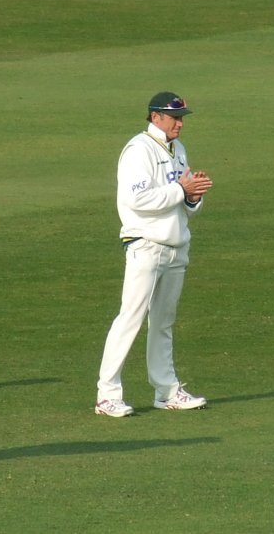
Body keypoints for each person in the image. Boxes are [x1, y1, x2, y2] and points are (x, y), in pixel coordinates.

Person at [95, 91, 214, 418]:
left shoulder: (178, 150)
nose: (179, 123)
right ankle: (107, 394)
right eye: (174, 117)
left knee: (163, 322)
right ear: (155, 117)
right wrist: (181, 191)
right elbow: (138, 200)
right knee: (130, 319)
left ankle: (167, 391)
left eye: (182, 118)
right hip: (145, 245)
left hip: (176, 246)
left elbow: (185, 204)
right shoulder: (139, 149)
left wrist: (193, 197)